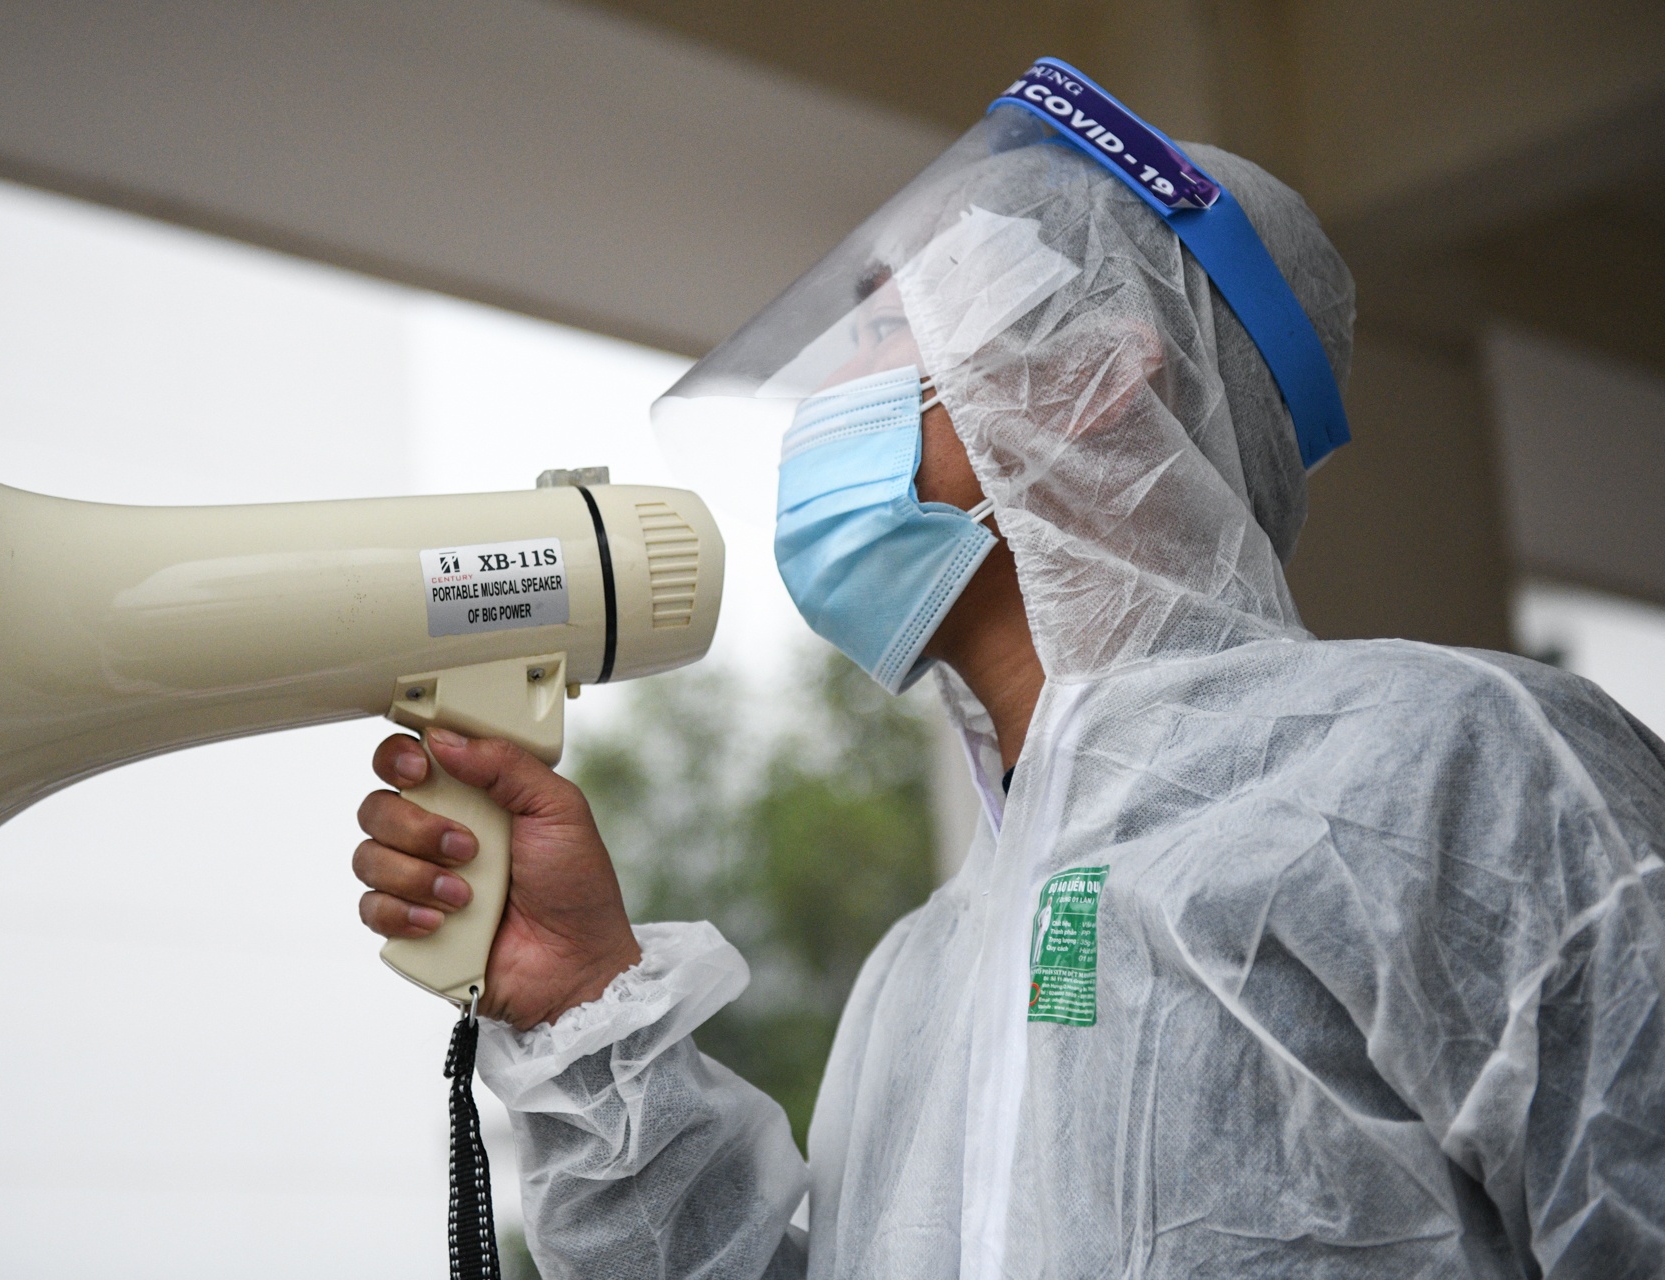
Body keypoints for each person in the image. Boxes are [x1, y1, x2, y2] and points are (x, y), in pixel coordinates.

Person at [351, 64, 1665, 1278]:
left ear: (1098, 371)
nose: (823, 403)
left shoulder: (1460, 770)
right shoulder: (928, 970)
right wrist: (585, 1003)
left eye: (884, 328)